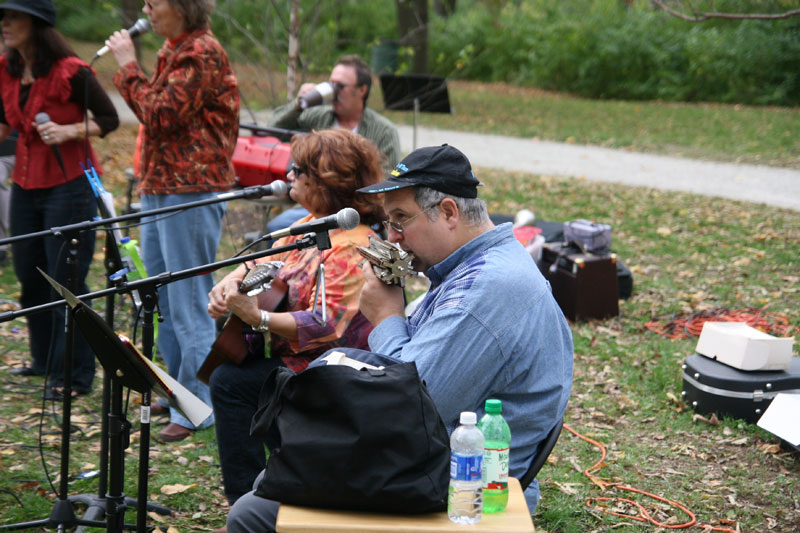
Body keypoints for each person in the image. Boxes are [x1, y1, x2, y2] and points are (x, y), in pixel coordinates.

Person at [224, 145, 573, 532]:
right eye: (390, 221)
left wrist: (387, 317)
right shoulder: (480, 267)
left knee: (253, 513)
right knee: (277, 476)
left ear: (448, 212)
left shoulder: (485, 291)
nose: (393, 236)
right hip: (433, 457)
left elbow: (413, 406)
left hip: (461, 484)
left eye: (401, 219)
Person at [208, 129, 385, 507]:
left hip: (331, 370)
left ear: (323, 180)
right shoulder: (308, 223)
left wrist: (259, 319)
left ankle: (269, 490)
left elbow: (325, 325)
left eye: (297, 168)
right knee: (231, 380)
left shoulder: (352, 244)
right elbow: (262, 262)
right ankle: (271, 486)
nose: (288, 174)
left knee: (231, 384)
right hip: (295, 358)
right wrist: (231, 280)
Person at [105, 0, 240, 442]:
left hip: (192, 189)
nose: (146, 8)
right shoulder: (173, 49)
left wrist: (128, 67)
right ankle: (175, 387)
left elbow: (161, 114)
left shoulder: (202, 52)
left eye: (154, 1)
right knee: (160, 298)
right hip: (161, 186)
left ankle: (199, 406)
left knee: (188, 299)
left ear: (182, 7)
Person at [0, 0, 119, 396]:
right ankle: (44, 360)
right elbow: (5, 124)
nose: (4, 24)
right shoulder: (7, 70)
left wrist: (68, 132)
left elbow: (109, 119)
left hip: (69, 185)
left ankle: (74, 375)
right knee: (30, 275)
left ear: (35, 24)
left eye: (12, 16)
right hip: (25, 183)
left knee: (65, 280)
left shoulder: (73, 72)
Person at [265, 54, 401, 235]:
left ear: (362, 90)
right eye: (331, 84)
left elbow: (388, 181)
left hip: (356, 213)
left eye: (340, 86)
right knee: (276, 229)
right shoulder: (319, 115)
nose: (334, 92)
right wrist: (298, 105)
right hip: (313, 205)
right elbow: (273, 131)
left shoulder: (383, 131)